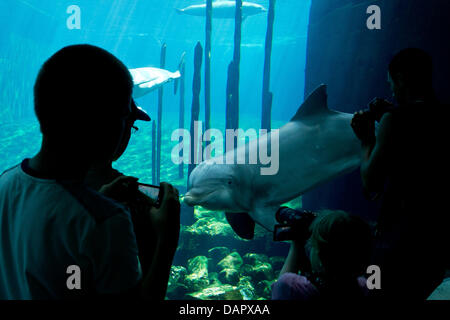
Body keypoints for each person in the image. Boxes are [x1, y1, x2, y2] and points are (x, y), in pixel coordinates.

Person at [0, 44, 180, 299]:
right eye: (125, 120)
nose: (127, 131)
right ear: (104, 126)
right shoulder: (106, 221)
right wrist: (166, 241)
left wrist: (98, 200)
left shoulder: (5, 182)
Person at [351, 48, 448, 300]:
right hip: (437, 236)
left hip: (397, 236)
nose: (391, 89)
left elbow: (370, 182)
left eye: (391, 83)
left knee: (379, 293)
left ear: (401, 78)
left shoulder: (394, 121)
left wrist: (367, 140)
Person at [271, 210, 372, 300]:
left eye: (312, 244)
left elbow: (281, 287)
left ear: (320, 256)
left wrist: (296, 244)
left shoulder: (292, 287)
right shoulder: (365, 286)